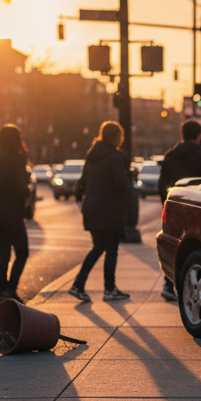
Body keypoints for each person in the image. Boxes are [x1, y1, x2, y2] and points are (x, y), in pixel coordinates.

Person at [69, 121, 132, 303]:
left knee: (98, 247)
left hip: (92, 207)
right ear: (116, 137)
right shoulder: (115, 157)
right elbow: (119, 183)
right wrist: (128, 178)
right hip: (109, 209)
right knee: (111, 249)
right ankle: (109, 289)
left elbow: (85, 180)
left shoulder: (92, 154)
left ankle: (78, 284)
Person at [157, 120, 201, 300]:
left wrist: (167, 203)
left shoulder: (170, 156)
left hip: (175, 205)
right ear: (199, 136)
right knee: (197, 247)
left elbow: (162, 184)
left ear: (182, 135)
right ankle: (195, 286)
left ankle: (169, 284)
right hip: (197, 208)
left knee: (174, 244)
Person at [0, 124, 32, 301]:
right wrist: (27, 191)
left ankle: (3, 290)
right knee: (22, 252)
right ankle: (10, 289)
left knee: (2, 256)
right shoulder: (17, 158)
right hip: (12, 214)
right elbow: (21, 187)